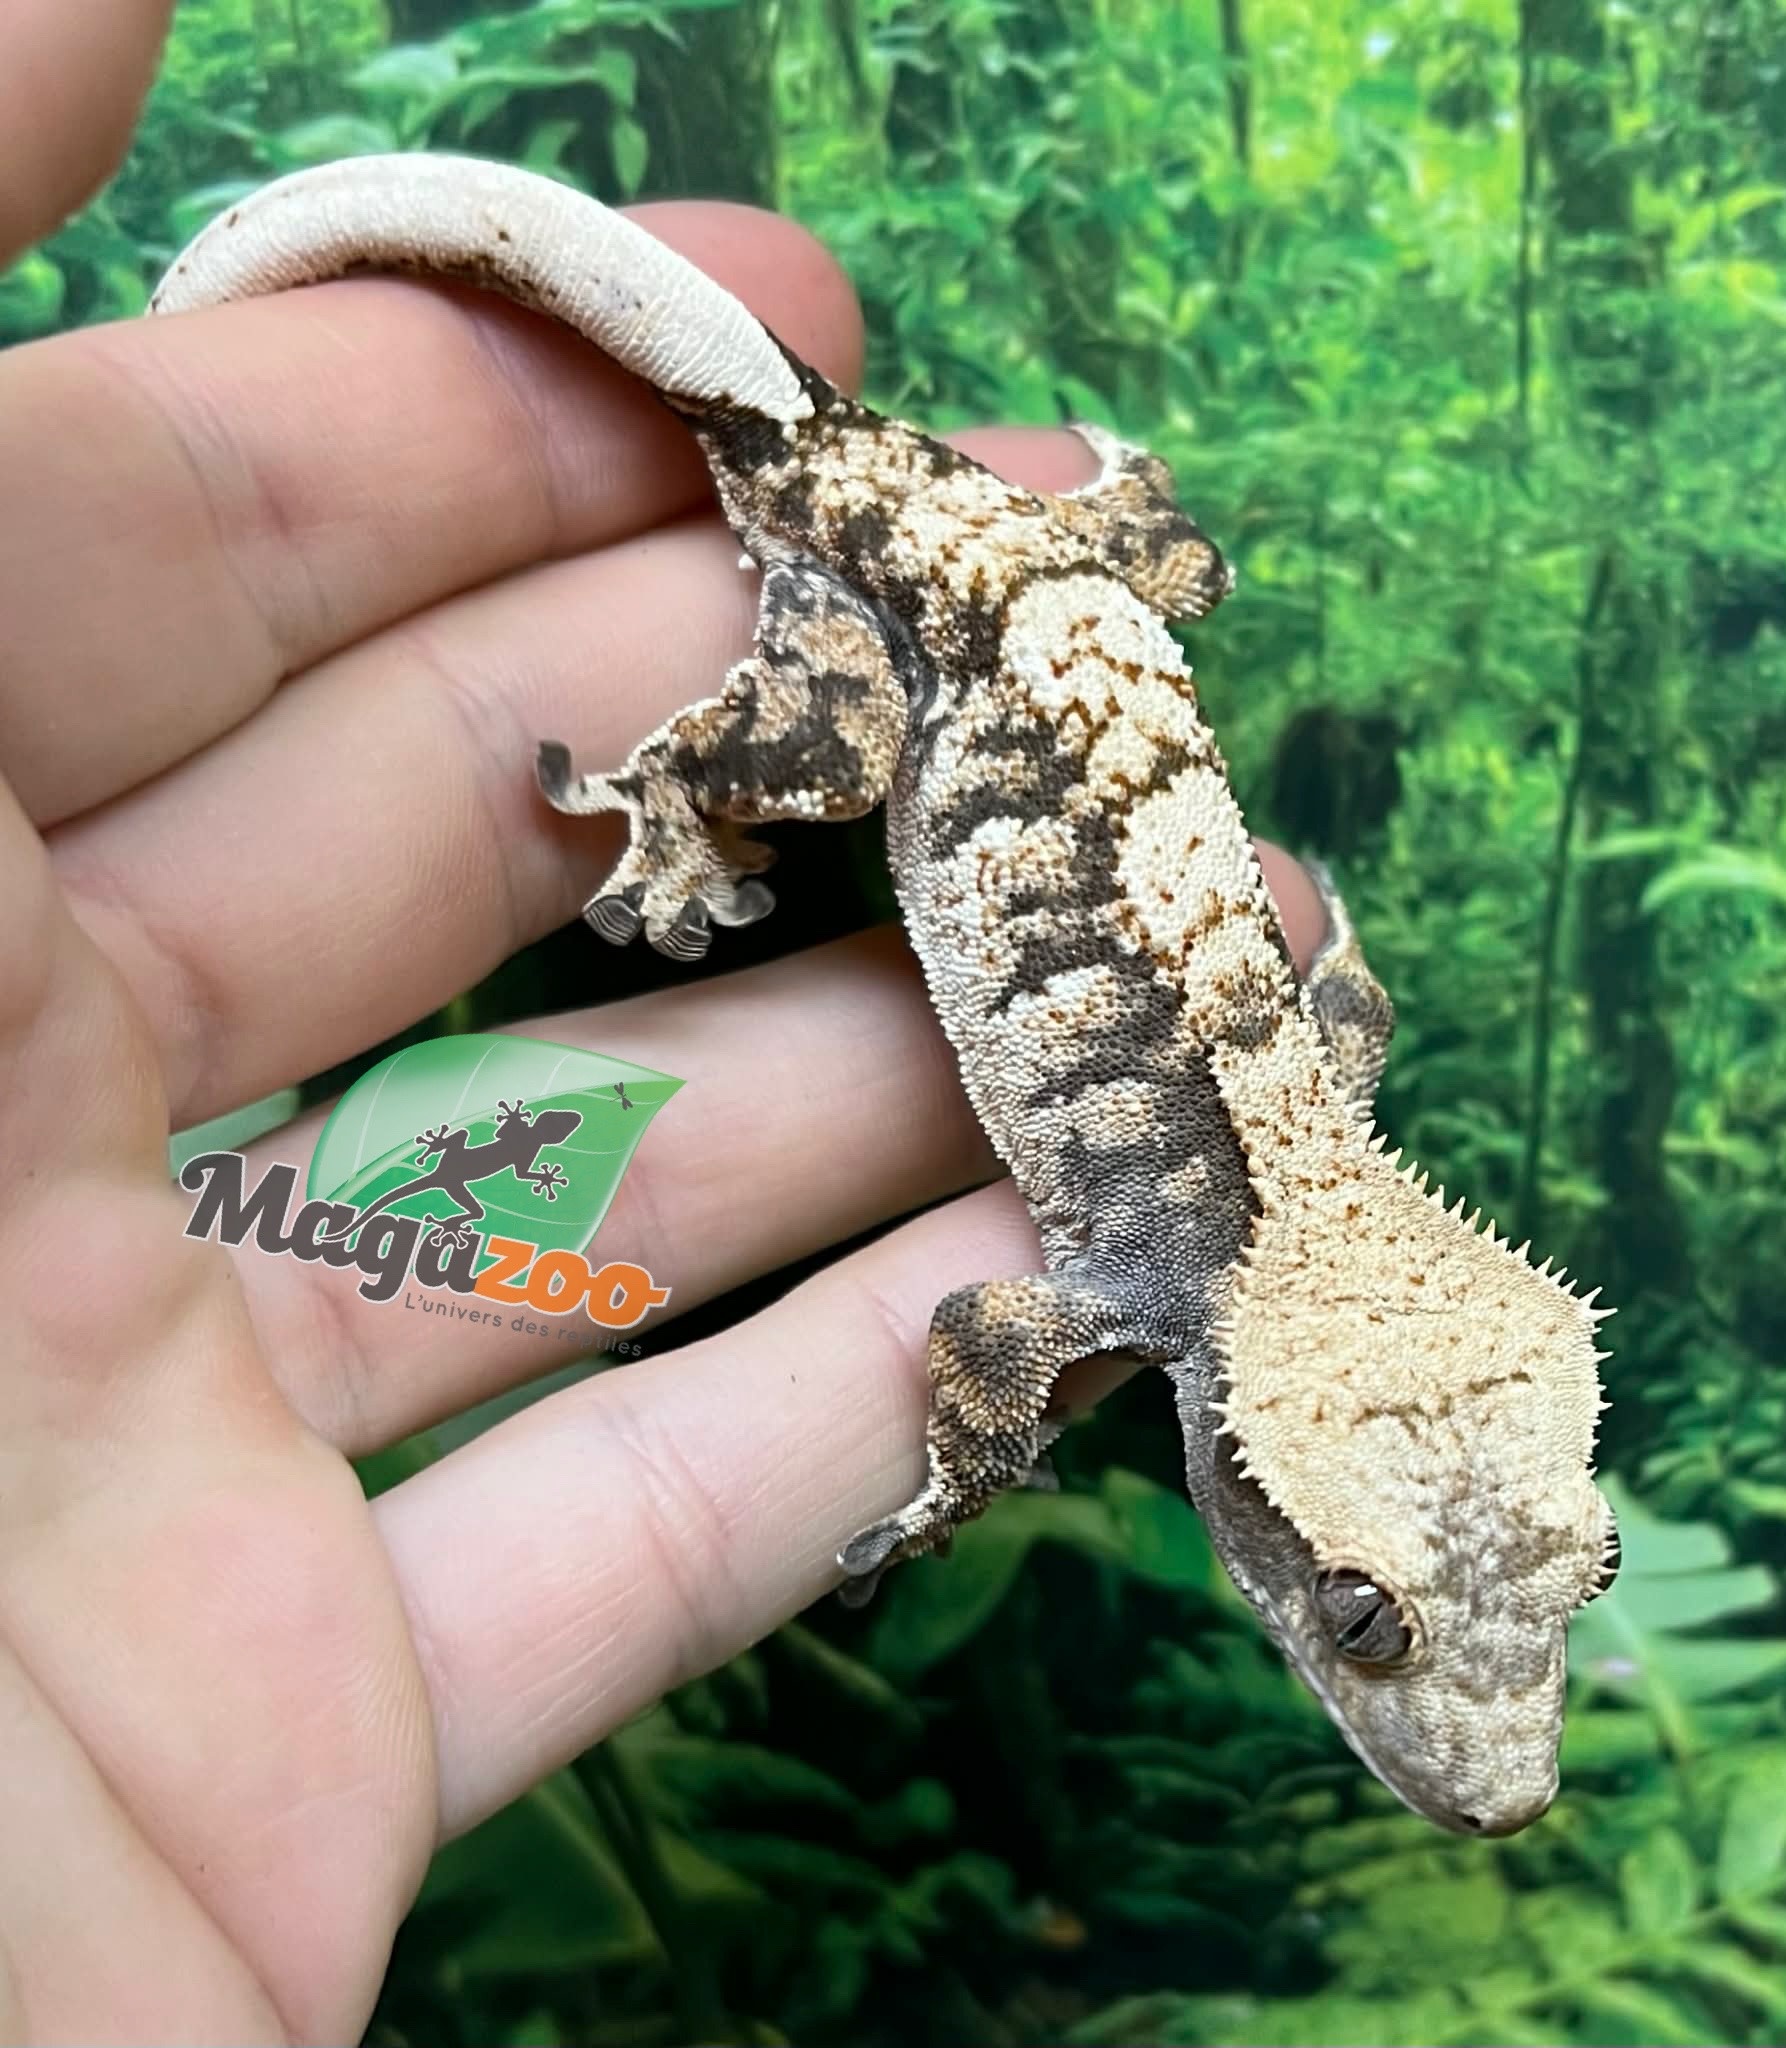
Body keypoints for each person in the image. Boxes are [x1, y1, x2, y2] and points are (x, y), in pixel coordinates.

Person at [0, 0, 1325, 2036]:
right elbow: (985, 1330)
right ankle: (679, 787)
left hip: (988, 566)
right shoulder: (1191, 1262)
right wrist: (966, 1461)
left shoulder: (1259, 1206)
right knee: (801, 742)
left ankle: (768, 736)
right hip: (899, 563)